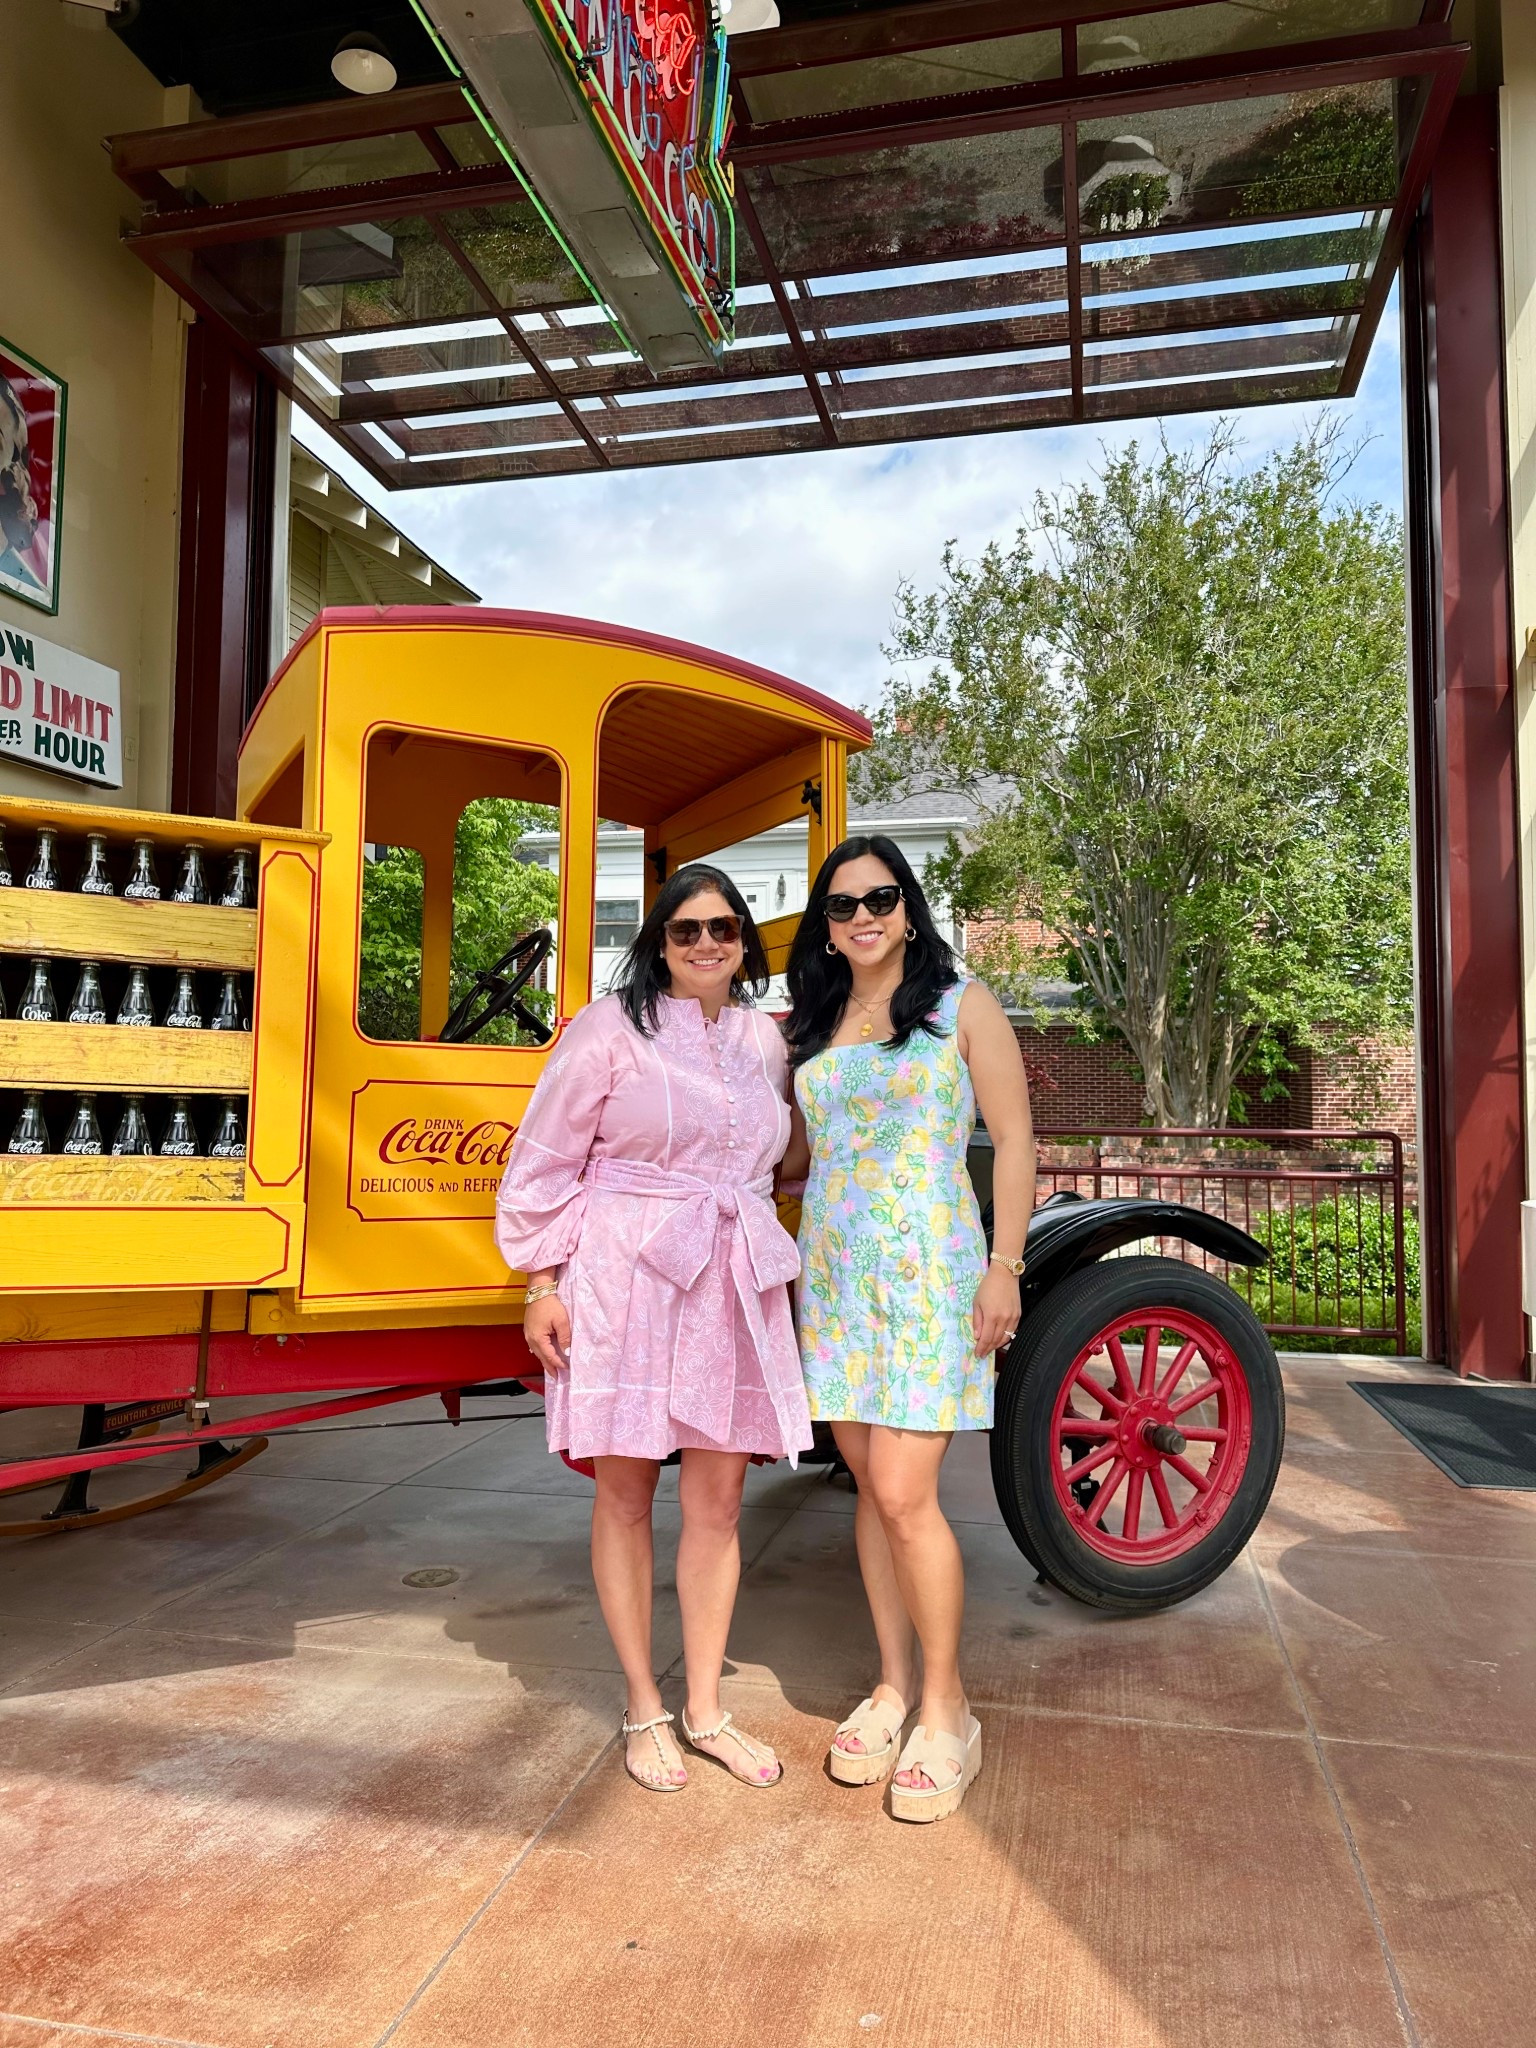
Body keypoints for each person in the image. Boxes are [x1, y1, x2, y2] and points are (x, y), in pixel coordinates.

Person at [496, 865, 811, 1794]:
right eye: (685, 931)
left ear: (744, 940)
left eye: (722, 928)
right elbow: (544, 1155)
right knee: (625, 1496)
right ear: (659, 943)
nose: (705, 944)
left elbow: (782, 1158)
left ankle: (707, 1708)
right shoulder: (608, 1029)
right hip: (625, 1274)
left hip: (730, 1276)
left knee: (716, 1504)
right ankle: (644, 1705)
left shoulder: (764, 1043)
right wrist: (540, 1283)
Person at [781, 834, 1035, 1823]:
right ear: (828, 928)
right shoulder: (817, 1021)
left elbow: (1012, 1138)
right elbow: (797, 1154)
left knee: (903, 1488)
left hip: (931, 1275)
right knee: (868, 1489)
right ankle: (891, 1685)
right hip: (838, 1285)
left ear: (909, 904)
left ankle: (947, 1707)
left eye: (881, 897)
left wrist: (1004, 1265)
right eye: (843, 906)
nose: (864, 916)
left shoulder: (959, 1003)